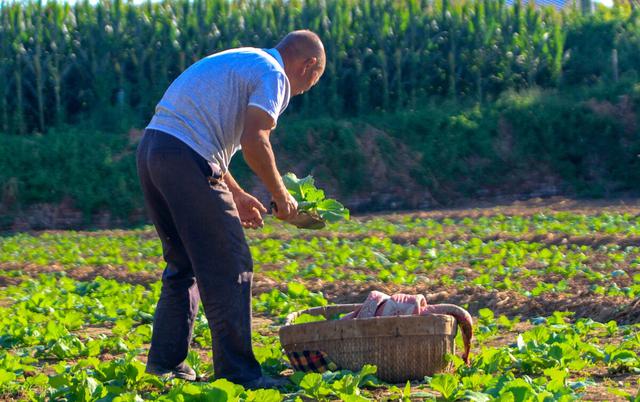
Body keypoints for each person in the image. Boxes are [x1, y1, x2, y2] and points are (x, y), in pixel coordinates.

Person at [135, 30, 325, 389]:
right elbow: (256, 139)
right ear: (308, 65)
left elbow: (209, 142)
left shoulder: (245, 59)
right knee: (232, 265)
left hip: (154, 151)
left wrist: (235, 194)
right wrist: (281, 195)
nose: (307, 88)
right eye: (313, 80)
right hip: (184, 158)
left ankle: (165, 364)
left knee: (183, 264)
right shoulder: (274, 74)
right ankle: (239, 373)